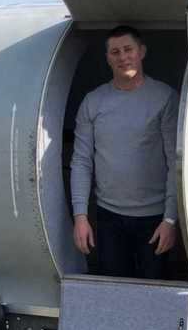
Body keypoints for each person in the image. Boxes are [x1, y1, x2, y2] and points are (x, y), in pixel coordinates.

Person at [70, 25, 179, 279]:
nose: (123, 57)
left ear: (141, 52)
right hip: (108, 218)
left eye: (128, 49)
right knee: (115, 292)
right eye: (115, 52)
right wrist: (80, 217)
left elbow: (176, 162)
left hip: (154, 220)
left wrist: (171, 220)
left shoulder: (164, 98)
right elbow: (81, 161)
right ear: (108, 58)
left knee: (154, 293)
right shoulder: (93, 102)